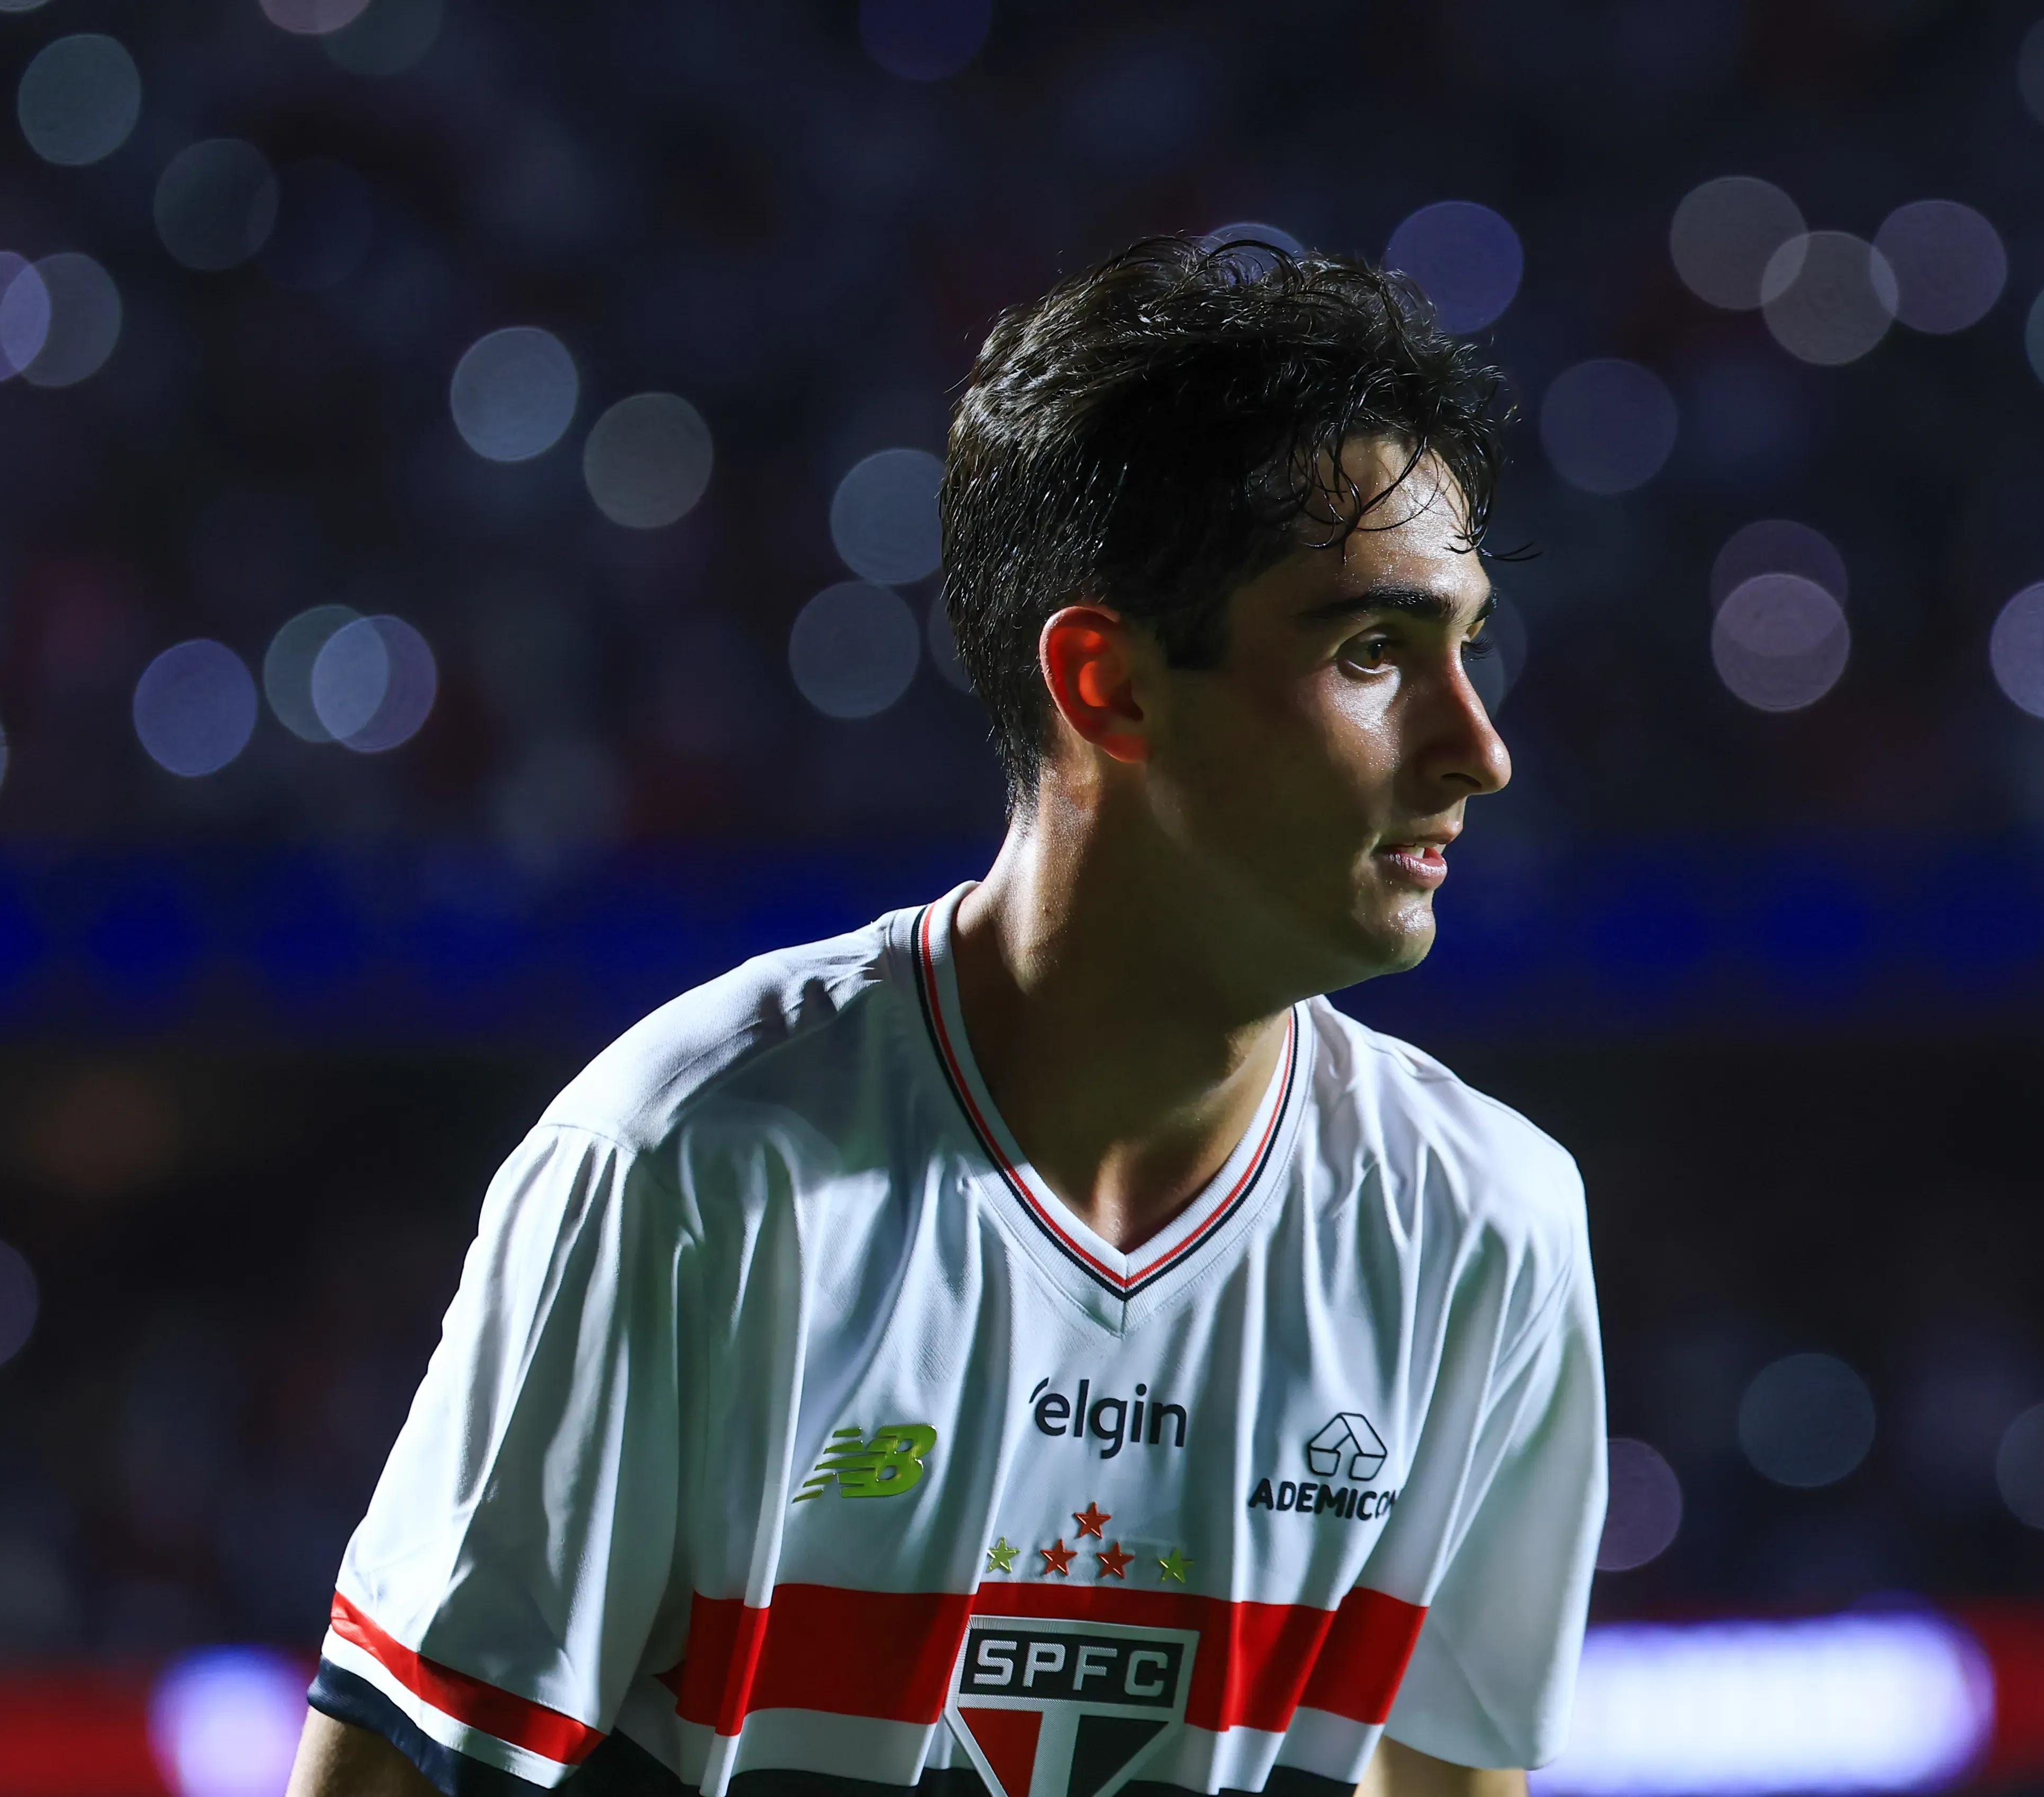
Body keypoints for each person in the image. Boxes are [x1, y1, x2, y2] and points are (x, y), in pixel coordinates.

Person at [286, 238, 1606, 1797]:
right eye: (1372, 651)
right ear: (1109, 684)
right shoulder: (690, 1170)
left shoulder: (1487, 1227)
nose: (1478, 748)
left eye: (1467, 648)